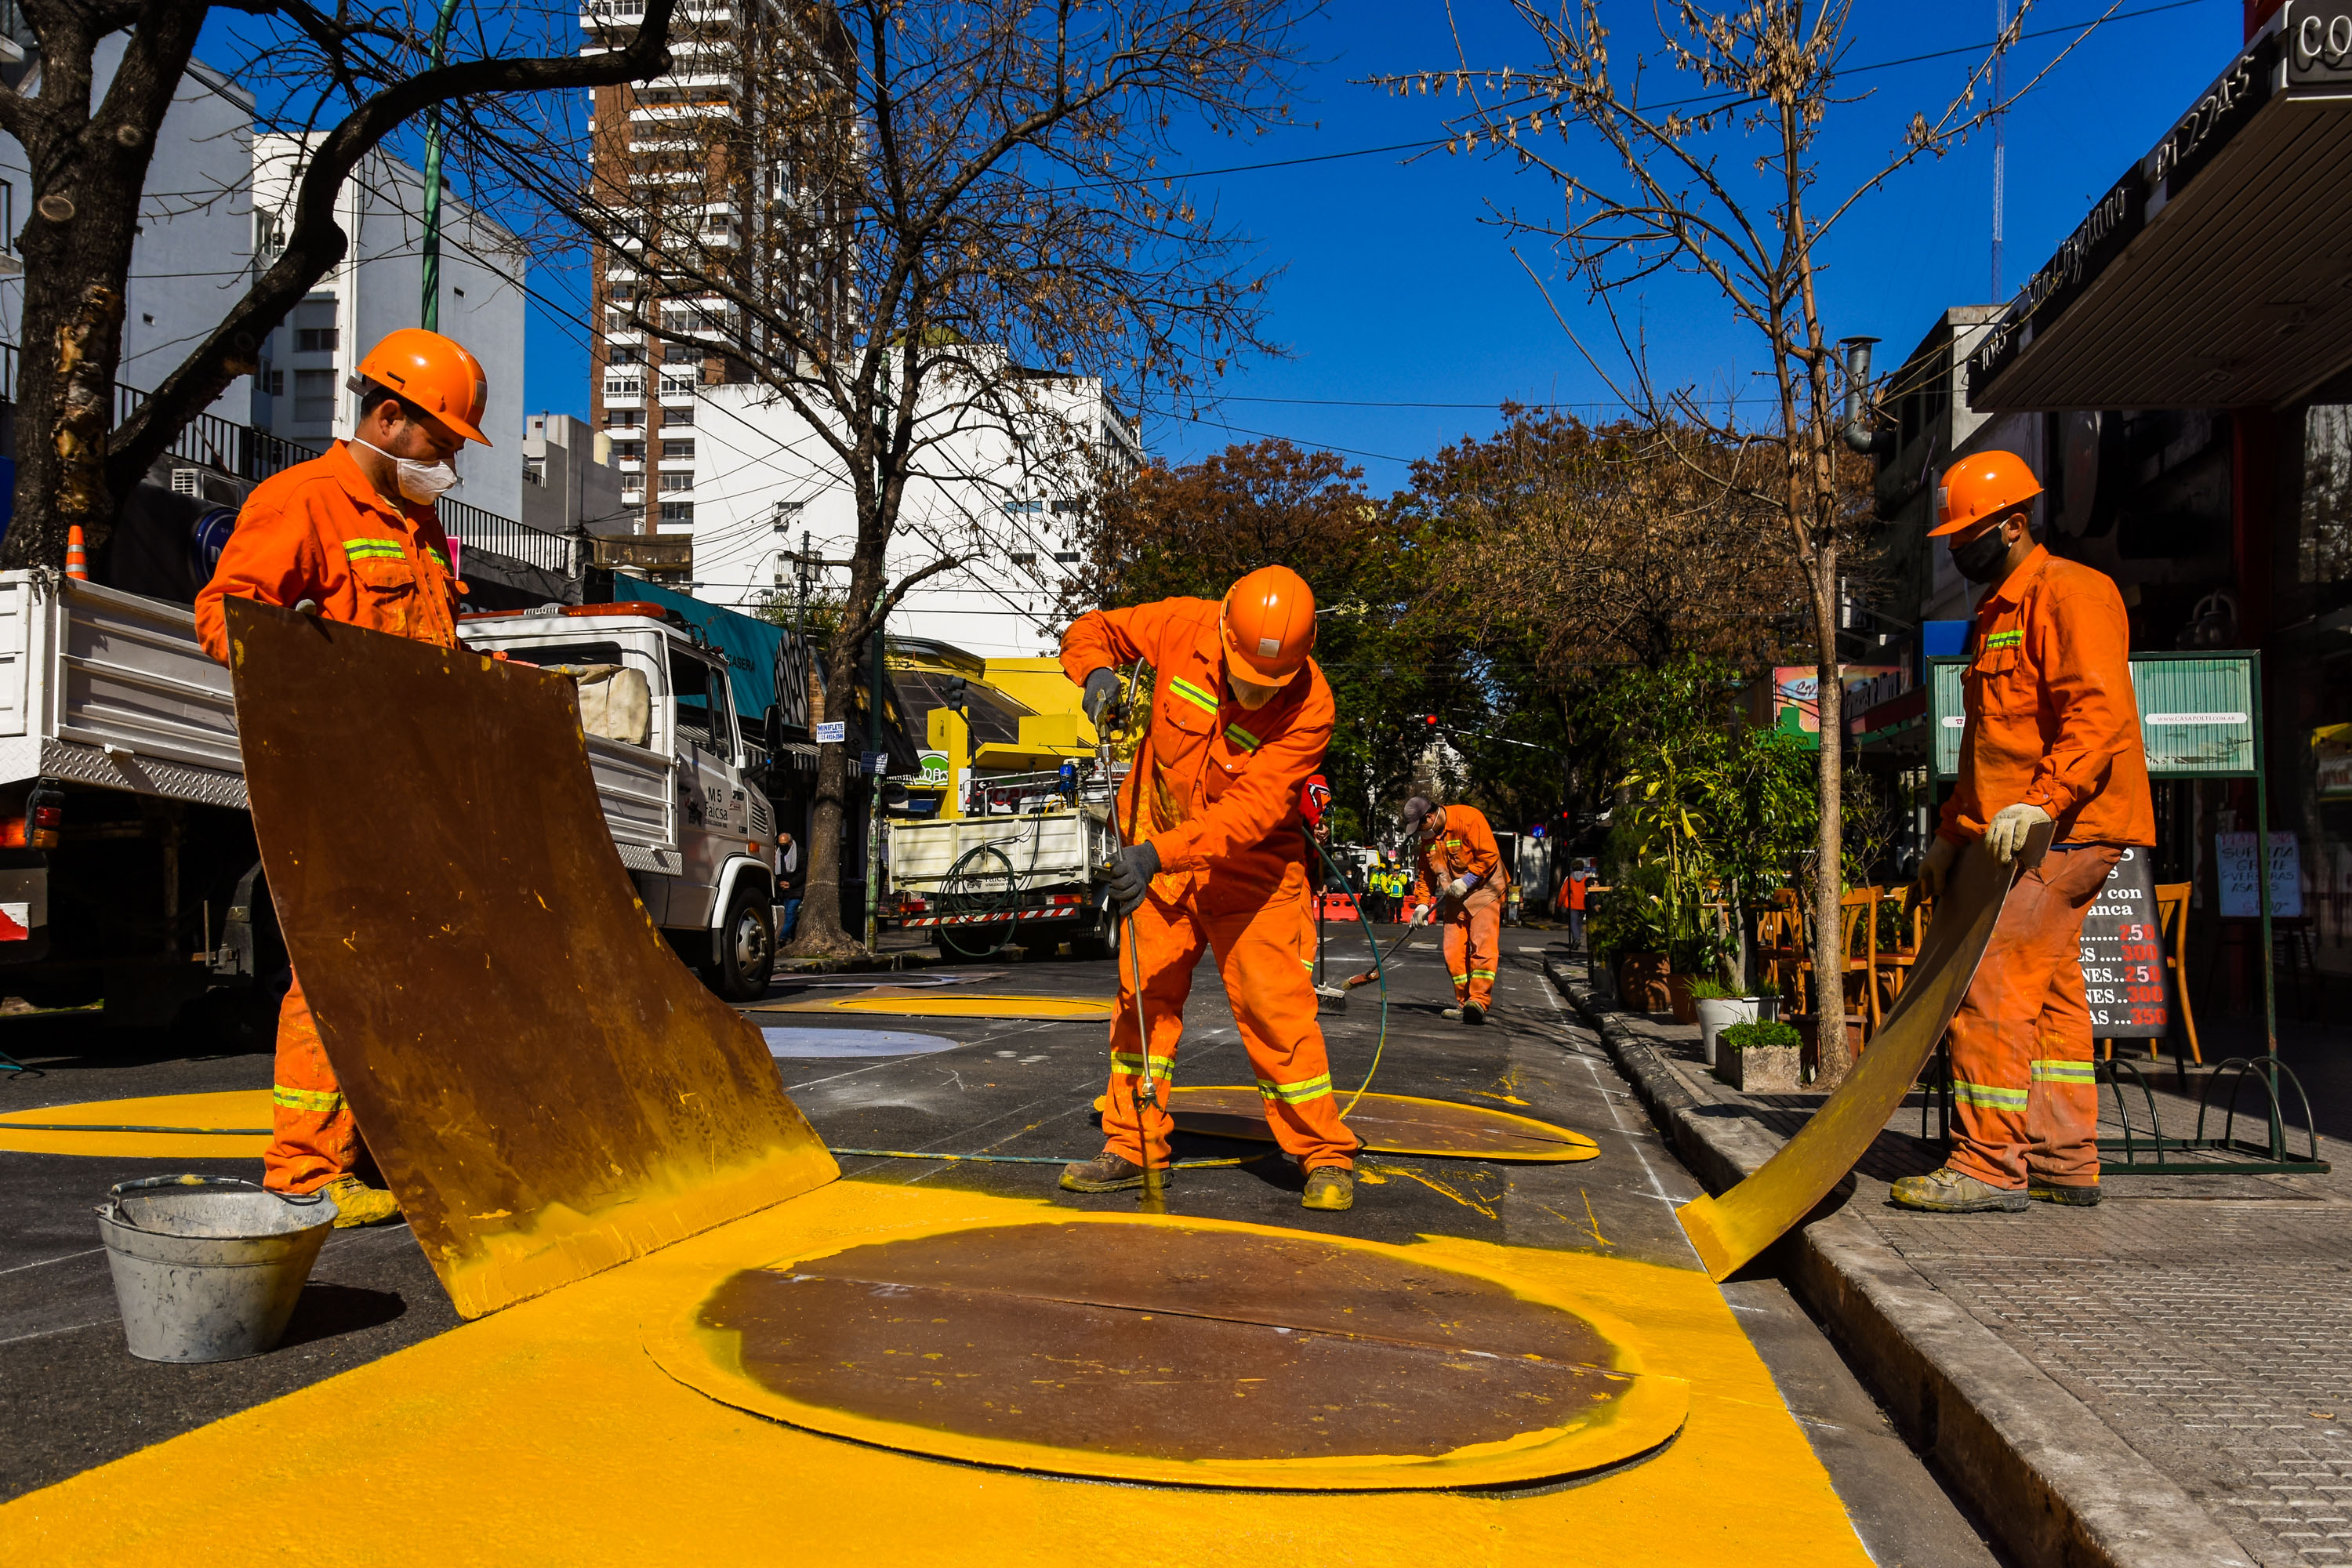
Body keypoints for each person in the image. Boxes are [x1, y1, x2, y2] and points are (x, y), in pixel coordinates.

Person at [194, 328, 492, 1228]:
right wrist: (297, 647)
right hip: (337, 782)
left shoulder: (417, 526)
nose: (445, 461)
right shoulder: (305, 501)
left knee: (403, 975)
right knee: (336, 971)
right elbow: (225, 618)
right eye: (439, 441)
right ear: (389, 415)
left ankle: (369, 1157)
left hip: (412, 788)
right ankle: (303, 1172)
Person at [1891, 450, 2153, 1214]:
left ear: (2013, 523)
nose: (1955, 548)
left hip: (2062, 830)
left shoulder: (2071, 592)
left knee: (1991, 982)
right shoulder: (1997, 611)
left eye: (1967, 533)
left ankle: (1986, 1163)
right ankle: (2063, 1158)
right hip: (2030, 831)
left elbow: (2096, 711)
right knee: (2053, 994)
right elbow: (1990, 745)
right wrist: (1952, 834)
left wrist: (2044, 802)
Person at [1058, 564, 1361, 1211]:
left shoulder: (1312, 707)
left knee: (1275, 1010)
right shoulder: (1180, 625)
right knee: (1142, 1001)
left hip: (1248, 866)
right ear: (1222, 631)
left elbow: (1247, 814)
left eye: (1267, 687)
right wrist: (1097, 670)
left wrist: (1154, 855)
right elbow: (1093, 628)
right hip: (1157, 845)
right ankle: (1133, 1144)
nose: (1254, 695)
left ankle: (1323, 1155)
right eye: (1245, 678)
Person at [1402, 796, 1505, 1025]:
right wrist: (1421, 904)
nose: (1420, 834)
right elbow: (1425, 873)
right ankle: (1464, 1003)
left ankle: (1478, 1000)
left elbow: (1489, 855)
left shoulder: (1468, 819)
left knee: (1482, 947)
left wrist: (1468, 880)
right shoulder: (1429, 839)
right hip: (1456, 898)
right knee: (1452, 952)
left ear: (1430, 816)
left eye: (1420, 827)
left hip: (1485, 891)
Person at [1566, 858, 1590, 950]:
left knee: (1573, 923)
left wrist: (1559, 903)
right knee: (1579, 923)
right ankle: (1577, 938)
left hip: (1573, 904)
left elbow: (1564, 892)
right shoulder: (1586, 880)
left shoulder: (1570, 879)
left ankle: (1576, 939)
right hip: (1583, 904)